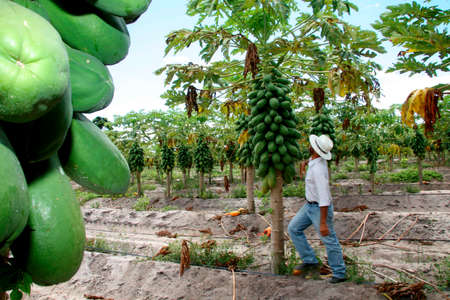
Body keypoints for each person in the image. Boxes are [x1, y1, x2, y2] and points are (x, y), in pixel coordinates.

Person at [288, 134, 347, 283]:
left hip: (319, 208)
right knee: (293, 228)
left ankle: (339, 273)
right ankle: (310, 260)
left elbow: (325, 198)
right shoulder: (314, 160)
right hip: (309, 205)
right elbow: (312, 162)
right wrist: (304, 163)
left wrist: (322, 222)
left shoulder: (319, 170)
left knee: (329, 239)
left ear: (314, 149)